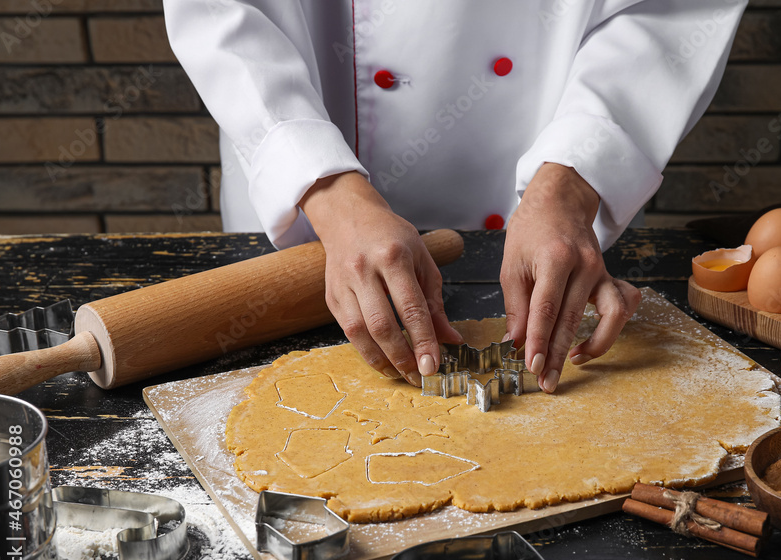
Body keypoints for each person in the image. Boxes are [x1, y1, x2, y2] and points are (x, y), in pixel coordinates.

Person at [164, 0, 745, 392]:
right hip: (306, 211)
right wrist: (322, 181)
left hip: (549, 168)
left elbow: (670, 12)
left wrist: (571, 180)